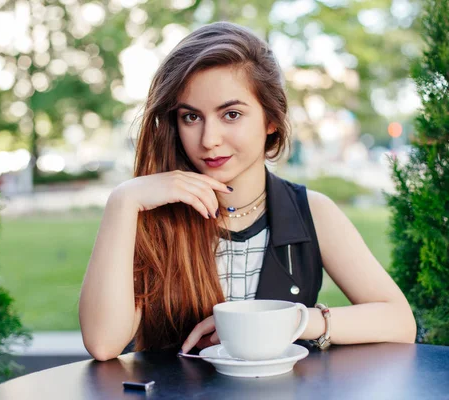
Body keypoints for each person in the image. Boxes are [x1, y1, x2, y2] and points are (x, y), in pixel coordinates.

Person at [78, 21, 416, 362]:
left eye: (231, 114)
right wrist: (122, 202)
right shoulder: (151, 214)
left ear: (271, 119)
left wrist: (292, 321)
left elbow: (400, 322)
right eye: (191, 117)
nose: (209, 139)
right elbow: (103, 343)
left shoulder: (311, 212)